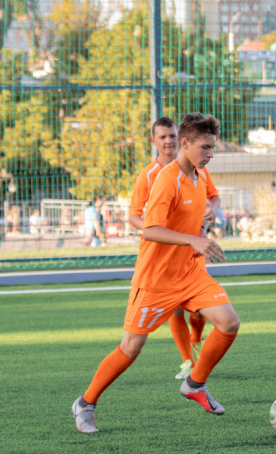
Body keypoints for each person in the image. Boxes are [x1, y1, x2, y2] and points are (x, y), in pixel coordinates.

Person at [73, 113, 240, 434]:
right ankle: (85, 402)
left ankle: (195, 384)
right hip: (156, 280)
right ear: (185, 144)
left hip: (190, 273)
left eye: (213, 148)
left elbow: (206, 202)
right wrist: (194, 239)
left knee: (229, 322)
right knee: (130, 349)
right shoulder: (166, 179)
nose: (211, 154)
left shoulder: (200, 175)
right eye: (205, 148)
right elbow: (149, 229)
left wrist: (208, 217)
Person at [127, 116, 212, 380]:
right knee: (174, 309)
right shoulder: (151, 176)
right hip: (165, 254)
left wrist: (206, 219)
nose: (168, 141)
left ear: (181, 139)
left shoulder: (198, 166)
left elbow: (211, 197)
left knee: (203, 309)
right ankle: (188, 361)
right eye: (162, 137)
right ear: (153, 141)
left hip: (193, 252)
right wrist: (158, 228)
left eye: (172, 135)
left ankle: (196, 335)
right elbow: (134, 216)